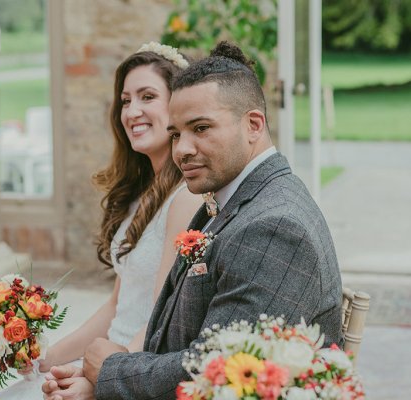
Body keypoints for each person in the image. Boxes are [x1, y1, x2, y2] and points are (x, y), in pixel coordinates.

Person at [42, 41, 343, 400]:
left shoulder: (274, 225)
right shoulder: (234, 201)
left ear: (253, 125)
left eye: (201, 128)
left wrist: (110, 371)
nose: (182, 149)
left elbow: (220, 369)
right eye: (176, 134)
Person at [0, 42, 201, 398]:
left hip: (131, 370)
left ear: (177, 106)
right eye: (125, 100)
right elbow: (114, 308)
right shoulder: (142, 195)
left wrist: (98, 380)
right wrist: (44, 358)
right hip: (106, 358)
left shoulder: (185, 198)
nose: (132, 110)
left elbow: (158, 317)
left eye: (147, 96)